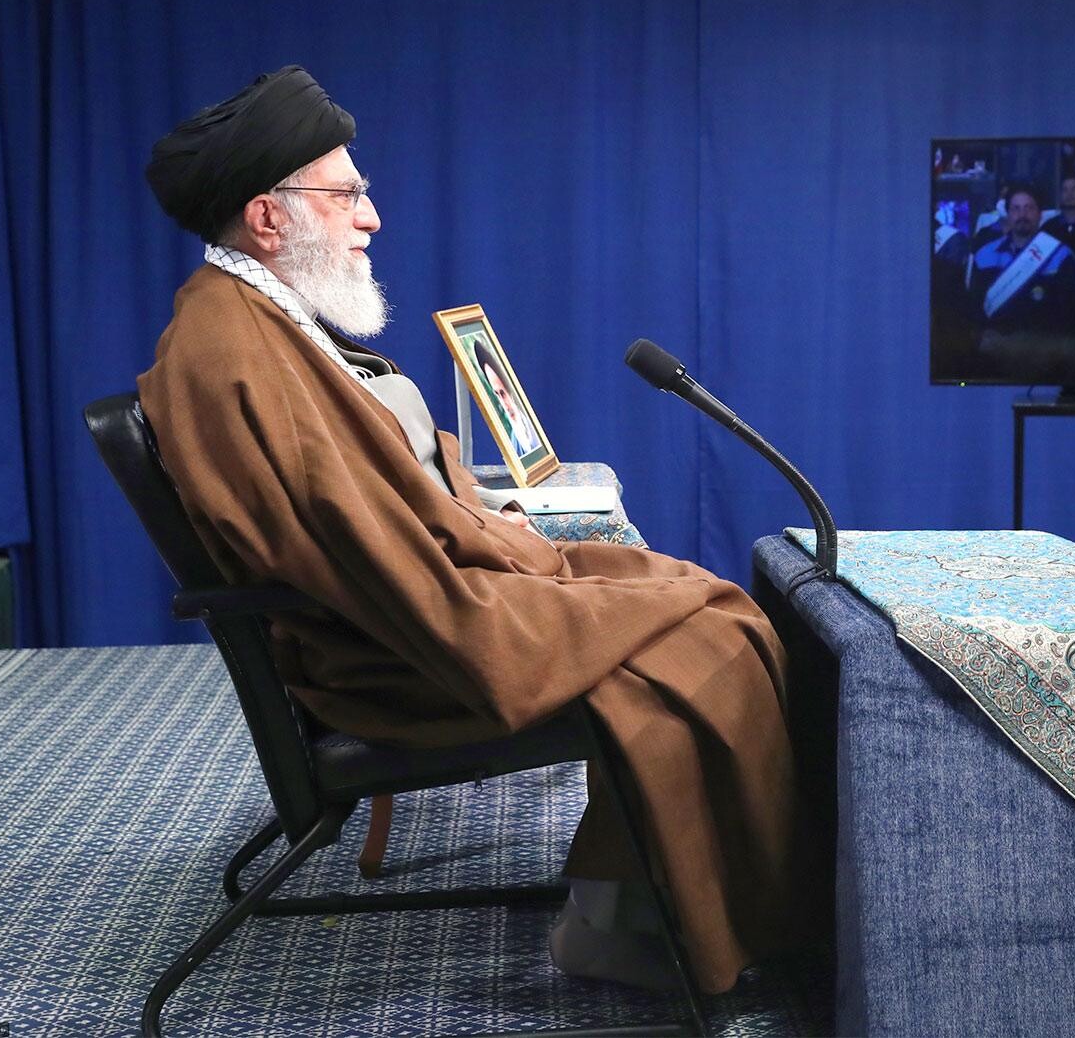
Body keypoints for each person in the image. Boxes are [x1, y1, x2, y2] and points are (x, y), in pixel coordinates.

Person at [137, 66, 808, 995]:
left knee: (690, 596)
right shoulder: (232, 354)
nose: (371, 217)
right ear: (266, 217)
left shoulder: (249, 315)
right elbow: (366, 552)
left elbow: (370, 505)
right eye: (347, 195)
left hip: (401, 609)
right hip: (398, 650)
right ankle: (643, 925)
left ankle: (636, 911)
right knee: (713, 631)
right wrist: (516, 576)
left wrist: (506, 544)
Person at [965, 186, 1075, 361]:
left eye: (1029, 208)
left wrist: (1023, 343)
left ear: (1040, 214)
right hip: (993, 352)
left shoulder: (1060, 255)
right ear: (1008, 215)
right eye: (1016, 208)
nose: (1022, 214)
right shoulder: (985, 255)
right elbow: (974, 306)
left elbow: (1069, 314)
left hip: (1041, 354)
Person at [470, 338, 544, 456]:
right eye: (497, 395)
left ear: (510, 392)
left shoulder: (533, 428)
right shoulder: (515, 444)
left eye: (503, 393)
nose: (504, 404)